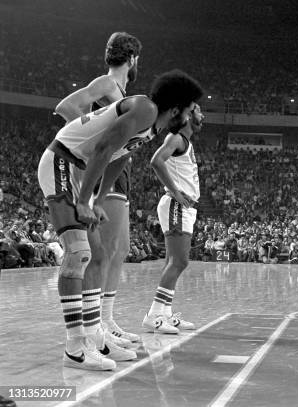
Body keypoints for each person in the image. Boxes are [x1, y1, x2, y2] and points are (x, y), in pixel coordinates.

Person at [37, 69, 203, 369]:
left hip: (77, 169)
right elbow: (103, 148)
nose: (191, 116)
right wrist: (85, 200)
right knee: (79, 253)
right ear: (176, 109)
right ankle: (75, 348)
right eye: (191, 109)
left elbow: (120, 156)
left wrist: (98, 200)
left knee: (98, 256)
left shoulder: (151, 127)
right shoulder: (145, 109)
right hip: (61, 160)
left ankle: (96, 338)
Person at [54, 32, 143, 344]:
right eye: (137, 58)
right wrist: (94, 145)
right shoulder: (107, 84)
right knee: (104, 253)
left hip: (119, 172)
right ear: (132, 58)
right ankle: (98, 325)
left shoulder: (119, 90)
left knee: (120, 251)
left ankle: (106, 319)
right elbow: (67, 107)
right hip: (106, 173)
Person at [143, 104, 203, 334]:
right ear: (187, 116)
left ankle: (165, 314)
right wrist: (176, 192)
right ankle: (154, 315)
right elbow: (156, 161)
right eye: (198, 111)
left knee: (173, 261)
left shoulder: (185, 142)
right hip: (177, 205)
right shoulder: (176, 138)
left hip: (184, 208)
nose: (202, 115)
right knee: (180, 261)